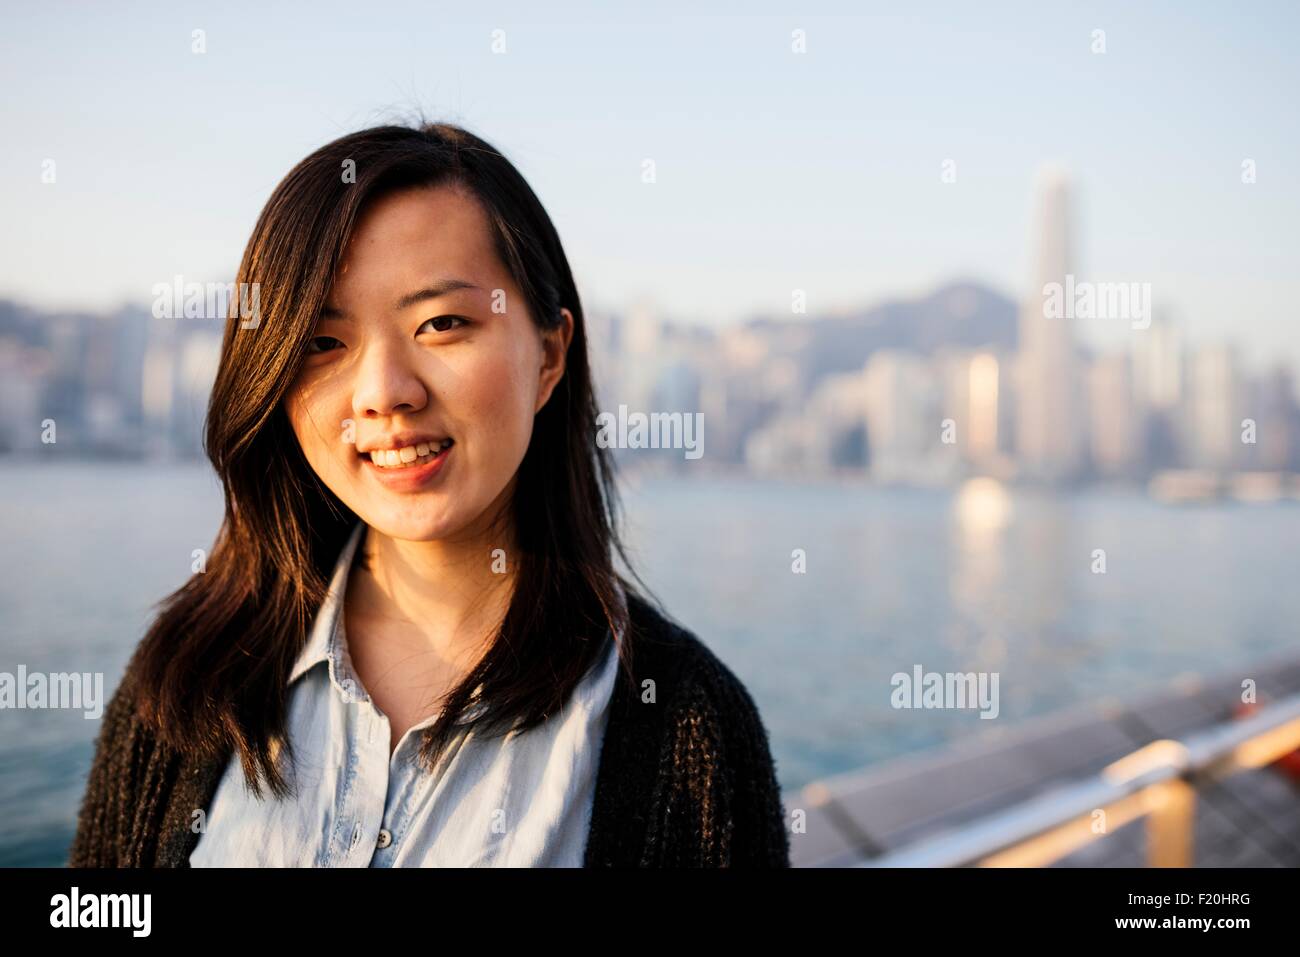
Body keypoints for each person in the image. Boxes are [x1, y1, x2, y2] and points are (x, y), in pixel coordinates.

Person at [68, 121, 790, 867]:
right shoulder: (194, 668)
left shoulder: (684, 727)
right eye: (323, 342)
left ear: (547, 355)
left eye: (442, 323)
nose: (383, 393)